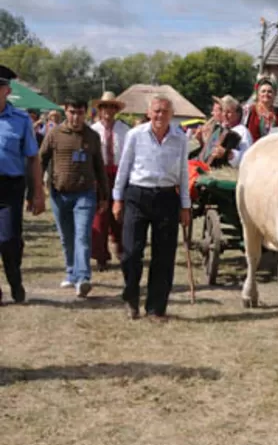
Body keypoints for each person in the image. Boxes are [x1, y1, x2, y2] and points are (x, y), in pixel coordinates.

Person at [113, 95, 190, 320]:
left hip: (167, 197)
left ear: (171, 115)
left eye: (165, 112)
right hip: (137, 194)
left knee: (164, 256)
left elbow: (184, 174)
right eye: (156, 111)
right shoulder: (135, 135)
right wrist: (117, 198)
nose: (160, 116)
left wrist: (185, 205)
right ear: (148, 113)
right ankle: (131, 299)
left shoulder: (180, 138)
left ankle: (156, 307)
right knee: (130, 253)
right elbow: (124, 167)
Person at [40, 98, 108, 297]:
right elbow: (41, 159)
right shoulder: (54, 134)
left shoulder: (92, 137)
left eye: (79, 112)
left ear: (86, 112)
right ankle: (71, 271)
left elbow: (99, 168)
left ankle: (83, 278)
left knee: (82, 236)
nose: (76, 117)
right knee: (67, 236)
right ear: (65, 111)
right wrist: (36, 189)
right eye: (72, 112)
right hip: (59, 193)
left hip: (85, 194)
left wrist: (104, 195)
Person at [0, 65, 46, 304]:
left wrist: (38, 192)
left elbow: (33, 158)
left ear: (7, 90)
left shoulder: (20, 120)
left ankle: (15, 280)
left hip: (10, 187)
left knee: (8, 240)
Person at [90, 91, 130, 270]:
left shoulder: (125, 130)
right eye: (105, 107)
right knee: (100, 214)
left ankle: (121, 248)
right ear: (100, 109)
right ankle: (100, 255)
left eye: (112, 107)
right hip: (99, 175)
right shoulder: (92, 130)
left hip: (120, 174)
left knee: (120, 213)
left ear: (116, 110)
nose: (108, 110)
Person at [199, 95, 252, 168]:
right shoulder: (219, 129)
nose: (225, 115)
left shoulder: (242, 131)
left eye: (229, 112)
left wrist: (228, 154)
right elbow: (206, 154)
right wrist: (201, 139)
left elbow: (248, 158)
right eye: (223, 111)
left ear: (238, 114)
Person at [243, 75, 278, 142]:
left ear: (274, 94)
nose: (266, 94)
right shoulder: (250, 111)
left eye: (269, 91)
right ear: (258, 94)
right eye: (263, 91)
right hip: (254, 148)